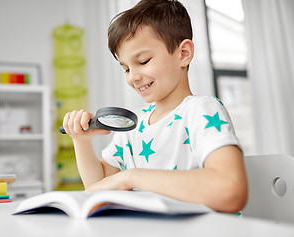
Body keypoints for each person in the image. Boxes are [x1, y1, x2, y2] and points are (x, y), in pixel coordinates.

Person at [62, 0, 248, 213]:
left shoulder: (201, 110)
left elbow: (230, 190)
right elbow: (98, 188)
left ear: (184, 53)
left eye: (143, 61)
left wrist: (131, 177)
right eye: (126, 69)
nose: (133, 77)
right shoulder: (134, 125)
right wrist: (81, 142)